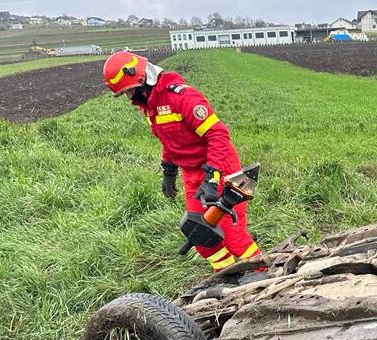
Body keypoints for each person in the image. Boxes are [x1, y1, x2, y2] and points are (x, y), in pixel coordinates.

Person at [102, 51, 260, 272]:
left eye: (129, 92)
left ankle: (263, 274)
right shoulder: (149, 105)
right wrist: (168, 171)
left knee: (234, 239)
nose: (129, 98)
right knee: (201, 236)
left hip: (221, 170)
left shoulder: (183, 97)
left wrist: (212, 178)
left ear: (141, 80)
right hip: (191, 174)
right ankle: (228, 277)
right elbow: (169, 139)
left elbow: (219, 135)